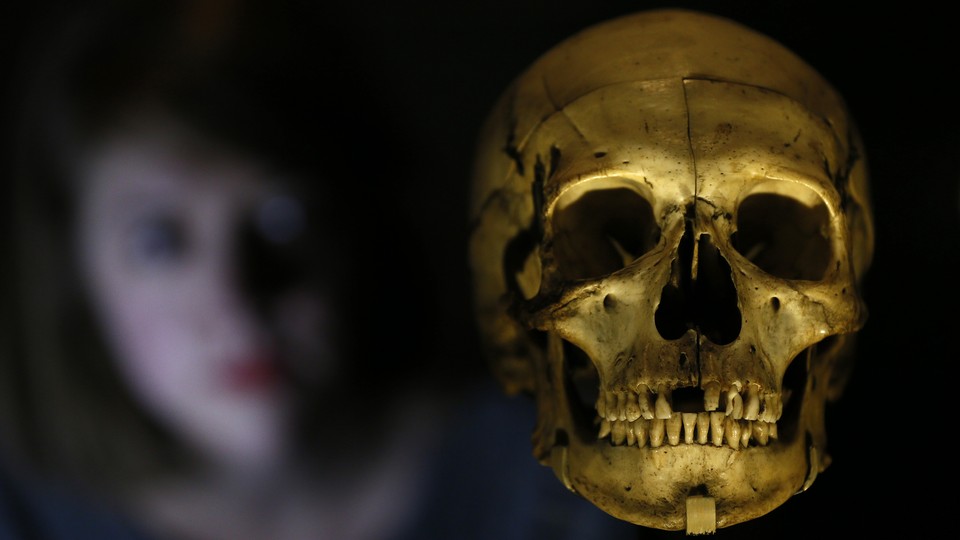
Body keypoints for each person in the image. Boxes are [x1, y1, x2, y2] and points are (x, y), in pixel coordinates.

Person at [2, 2, 444, 538]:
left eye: (286, 217)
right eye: (157, 241)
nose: (237, 303)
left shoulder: (550, 473)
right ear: (75, 272)